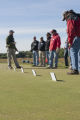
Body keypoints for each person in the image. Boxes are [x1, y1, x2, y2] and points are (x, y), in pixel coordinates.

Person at [62, 10, 80, 74]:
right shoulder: (77, 16)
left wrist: (70, 41)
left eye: (65, 18)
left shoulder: (70, 17)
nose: (66, 20)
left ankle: (75, 69)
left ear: (66, 15)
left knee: (73, 51)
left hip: (77, 36)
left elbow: (71, 31)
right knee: (79, 53)